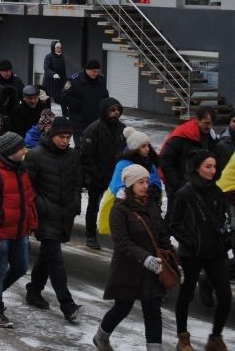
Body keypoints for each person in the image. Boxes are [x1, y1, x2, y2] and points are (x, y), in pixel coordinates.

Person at [93, 165, 175, 351]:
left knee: (153, 311)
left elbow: (162, 235)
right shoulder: (119, 210)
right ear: (130, 184)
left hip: (153, 269)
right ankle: (101, 337)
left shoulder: (152, 205)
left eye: (147, 181)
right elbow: (122, 242)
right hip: (127, 269)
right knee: (122, 308)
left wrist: (173, 263)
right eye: (140, 182)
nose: (146, 185)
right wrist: (145, 258)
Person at [169, 150, 231, 351]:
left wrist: (225, 239)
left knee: (225, 294)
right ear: (197, 168)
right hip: (192, 254)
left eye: (214, 166)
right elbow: (174, 224)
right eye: (208, 166)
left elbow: (224, 219)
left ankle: (215, 338)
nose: (213, 171)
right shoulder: (184, 194)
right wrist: (192, 242)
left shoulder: (217, 192)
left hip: (215, 253)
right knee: (186, 295)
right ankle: (183, 338)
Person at [24, 117, 83, 322]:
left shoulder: (73, 156)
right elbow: (28, 187)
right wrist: (42, 206)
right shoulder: (35, 155)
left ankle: (33, 291)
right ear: (52, 135)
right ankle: (67, 305)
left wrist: (75, 203)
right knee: (56, 260)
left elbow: (77, 182)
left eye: (68, 137)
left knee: (47, 256)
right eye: (61, 137)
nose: (65, 141)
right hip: (45, 215)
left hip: (65, 213)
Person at [0, 131, 37, 328]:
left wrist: (31, 223)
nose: (24, 150)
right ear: (11, 151)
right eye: (21, 148)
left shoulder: (21, 169)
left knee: (20, 267)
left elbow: (29, 199)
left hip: (19, 230)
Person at [80, 97, 127, 250]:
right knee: (94, 206)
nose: (116, 113)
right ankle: (90, 235)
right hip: (97, 177)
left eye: (118, 110)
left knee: (117, 208)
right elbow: (86, 156)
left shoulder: (122, 129)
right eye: (112, 110)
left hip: (116, 178)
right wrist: (97, 174)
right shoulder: (93, 129)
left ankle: (117, 235)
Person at [160, 107, 219, 202]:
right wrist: (177, 185)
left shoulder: (211, 137)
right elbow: (165, 159)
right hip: (180, 190)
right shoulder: (182, 135)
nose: (209, 126)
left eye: (211, 123)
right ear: (197, 120)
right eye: (206, 123)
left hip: (199, 189)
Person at [61, 59, 109, 148]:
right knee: (81, 147)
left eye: (97, 71)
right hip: (79, 121)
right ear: (86, 69)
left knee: (96, 147)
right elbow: (65, 97)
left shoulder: (101, 79)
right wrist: (79, 105)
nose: (95, 74)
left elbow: (105, 96)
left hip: (96, 120)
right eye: (93, 71)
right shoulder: (74, 80)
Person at [108, 130, 164, 206]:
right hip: (125, 204)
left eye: (148, 145)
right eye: (143, 146)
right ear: (134, 149)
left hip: (148, 203)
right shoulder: (123, 164)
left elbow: (155, 180)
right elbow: (117, 187)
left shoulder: (150, 163)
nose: (147, 149)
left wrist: (154, 190)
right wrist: (137, 195)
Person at [43, 41, 68, 110]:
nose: (59, 49)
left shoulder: (62, 57)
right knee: (47, 99)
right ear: (53, 48)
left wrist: (66, 80)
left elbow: (63, 70)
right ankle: (47, 113)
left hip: (59, 82)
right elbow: (46, 68)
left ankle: (66, 115)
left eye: (60, 48)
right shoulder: (48, 57)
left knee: (62, 97)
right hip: (50, 81)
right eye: (57, 48)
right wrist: (53, 74)